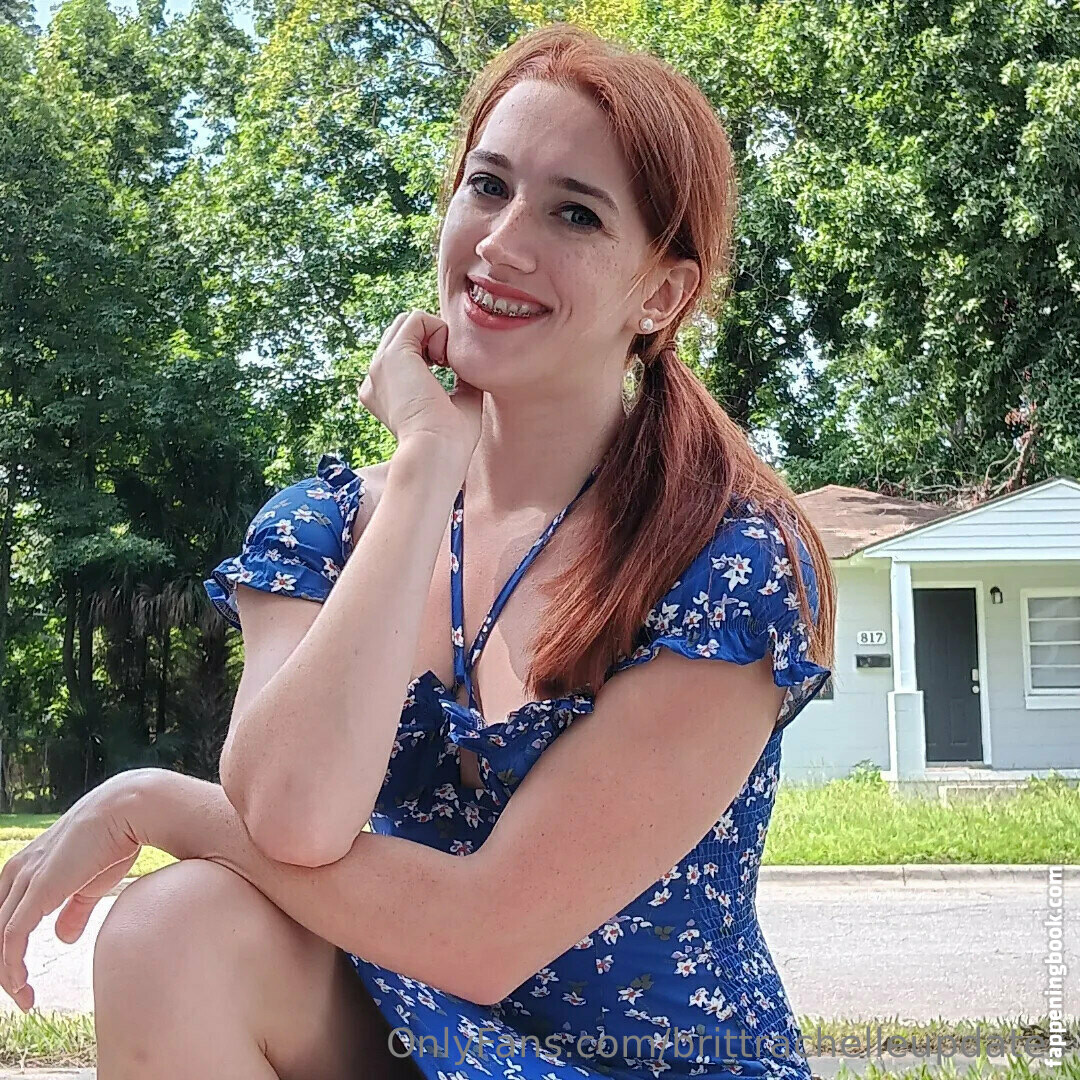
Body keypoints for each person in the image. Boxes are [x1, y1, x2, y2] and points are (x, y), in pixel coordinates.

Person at [0, 22, 836, 1080]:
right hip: (414, 1035)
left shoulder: (727, 564)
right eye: (488, 186)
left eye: (574, 212)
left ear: (661, 293)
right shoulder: (322, 529)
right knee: (173, 931)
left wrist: (152, 802)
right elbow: (291, 815)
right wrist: (427, 466)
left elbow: (484, 934)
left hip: (647, 1062)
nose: (502, 243)